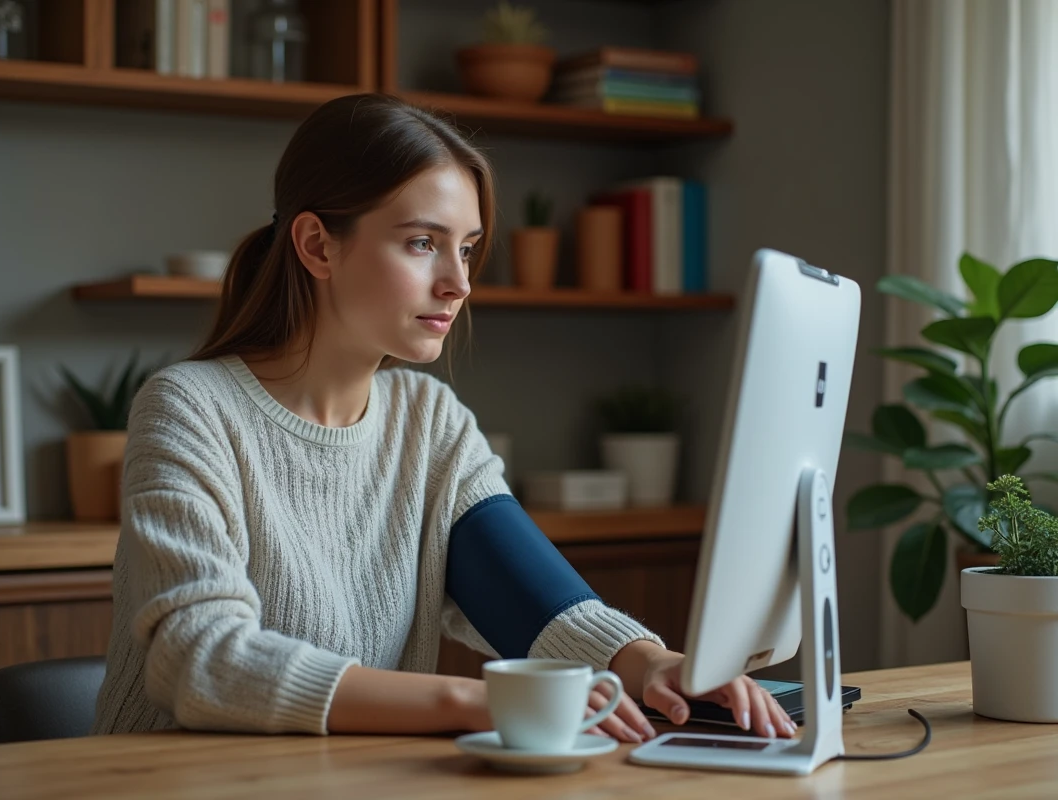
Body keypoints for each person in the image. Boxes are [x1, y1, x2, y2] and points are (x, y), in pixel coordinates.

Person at [92, 93, 796, 744]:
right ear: (317, 246)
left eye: (465, 248)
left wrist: (654, 664)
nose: (459, 282)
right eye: (423, 242)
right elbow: (201, 659)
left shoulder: (429, 422)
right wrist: (475, 702)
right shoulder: (190, 407)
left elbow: (530, 597)